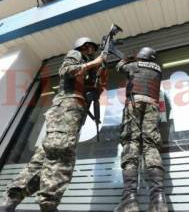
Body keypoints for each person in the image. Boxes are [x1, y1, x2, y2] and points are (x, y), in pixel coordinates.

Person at [0, 37, 107, 212]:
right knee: (61, 154)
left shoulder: (89, 64)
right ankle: (48, 204)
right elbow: (66, 71)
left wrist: (97, 73)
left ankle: (11, 200)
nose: (92, 51)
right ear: (84, 47)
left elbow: (89, 88)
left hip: (69, 110)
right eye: (91, 48)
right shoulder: (76, 54)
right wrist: (94, 63)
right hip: (67, 108)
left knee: (43, 159)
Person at [114, 47, 168, 212]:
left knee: (132, 144)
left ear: (141, 55)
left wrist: (126, 58)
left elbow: (119, 67)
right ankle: (158, 199)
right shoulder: (157, 69)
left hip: (134, 104)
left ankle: (129, 200)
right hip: (152, 106)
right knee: (151, 146)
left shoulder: (134, 65)